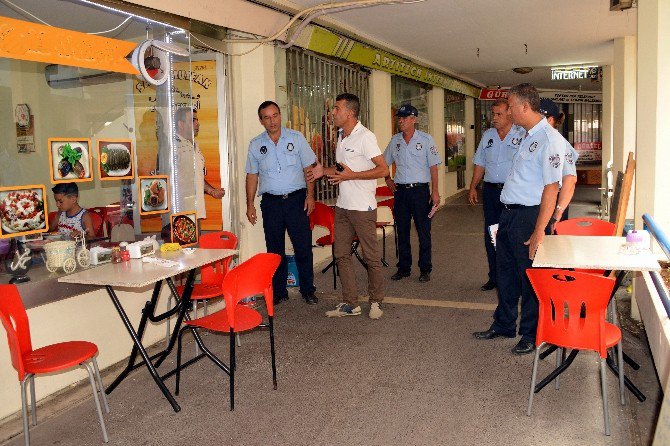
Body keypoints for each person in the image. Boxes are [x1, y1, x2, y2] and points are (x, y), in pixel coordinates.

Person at [472, 83, 565, 355]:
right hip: (509, 214)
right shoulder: (528, 135)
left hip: (529, 216)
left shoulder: (549, 140)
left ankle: (530, 333)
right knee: (506, 272)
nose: (509, 111)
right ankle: (503, 325)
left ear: (525, 106)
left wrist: (539, 231)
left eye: (511, 106)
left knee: (530, 278)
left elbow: (552, 187)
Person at [307, 93, 389, 319]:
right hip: (343, 206)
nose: (333, 113)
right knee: (341, 254)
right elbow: (343, 172)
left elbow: (383, 170)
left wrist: (352, 175)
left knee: (371, 257)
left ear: (350, 113)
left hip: (363, 208)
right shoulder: (342, 136)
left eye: (336, 108)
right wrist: (324, 171)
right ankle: (350, 303)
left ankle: (376, 302)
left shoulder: (366, 137)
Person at [245, 100, 318, 305]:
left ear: (280, 116)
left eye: (275, 115)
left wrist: (310, 196)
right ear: (261, 121)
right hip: (271, 204)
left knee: (303, 247)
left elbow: (309, 170)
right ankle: (278, 291)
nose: (272, 121)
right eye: (267, 117)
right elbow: (252, 176)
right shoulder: (255, 144)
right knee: (274, 250)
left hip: (297, 201)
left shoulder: (297, 138)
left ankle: (307, 289)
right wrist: (250, 204)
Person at [467, 99, 525, 291]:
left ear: (510, 113)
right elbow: (480, 163)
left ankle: (515, 277)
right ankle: (495, 277)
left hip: (514, 191)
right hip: (491, 191)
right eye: (493, 114)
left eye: (499, 114)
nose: (494, 118)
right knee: (492, 234)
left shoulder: (522, 134)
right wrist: (473, 186)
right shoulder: (488, 135)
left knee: (513, 233)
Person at [383, 104, 441, 282]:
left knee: (424, 231)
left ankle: (425, 269)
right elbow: (383, 162)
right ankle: (404, 268)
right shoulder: (395, 141)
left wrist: (435, 191)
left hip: (420, 192)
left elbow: (433, 167)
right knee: (402, 231)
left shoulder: (426, 140)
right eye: (399, 118)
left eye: (405, 118)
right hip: (401, 192)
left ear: (414, 119)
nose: (401, 121)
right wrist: (388, 179)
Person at [174, 107, 225, 220]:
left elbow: (195, 176)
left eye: (197, 120)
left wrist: (212, 191)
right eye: (192, 120)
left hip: (196, 210)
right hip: (180, 212)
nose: (198, 124)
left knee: (197, 238)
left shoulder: (194, 145)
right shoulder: (173, 147)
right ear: (181, 124)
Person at [538, 98, 579, 233]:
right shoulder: (537, 140)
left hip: (552, 202)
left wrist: (558, 212)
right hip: (537, 202)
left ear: (550, 120)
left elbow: (570, 179)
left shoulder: (560, 143)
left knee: (550, 248)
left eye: (539, 116)